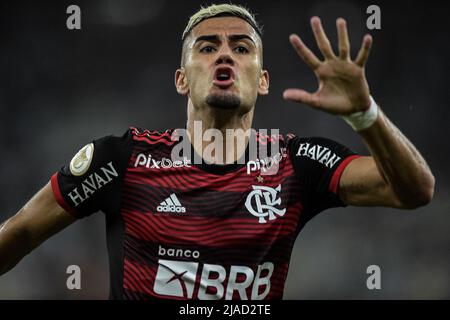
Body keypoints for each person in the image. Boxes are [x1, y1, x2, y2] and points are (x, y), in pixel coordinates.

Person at [0, 4, 434, 300]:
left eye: (241, 48)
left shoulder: (297, 164)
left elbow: (414, 192)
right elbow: (17, 235)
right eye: (207, 48)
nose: (224, 55)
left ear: (262, 80)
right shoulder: (121, 160)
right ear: (181, 79)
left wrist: (365, 114)